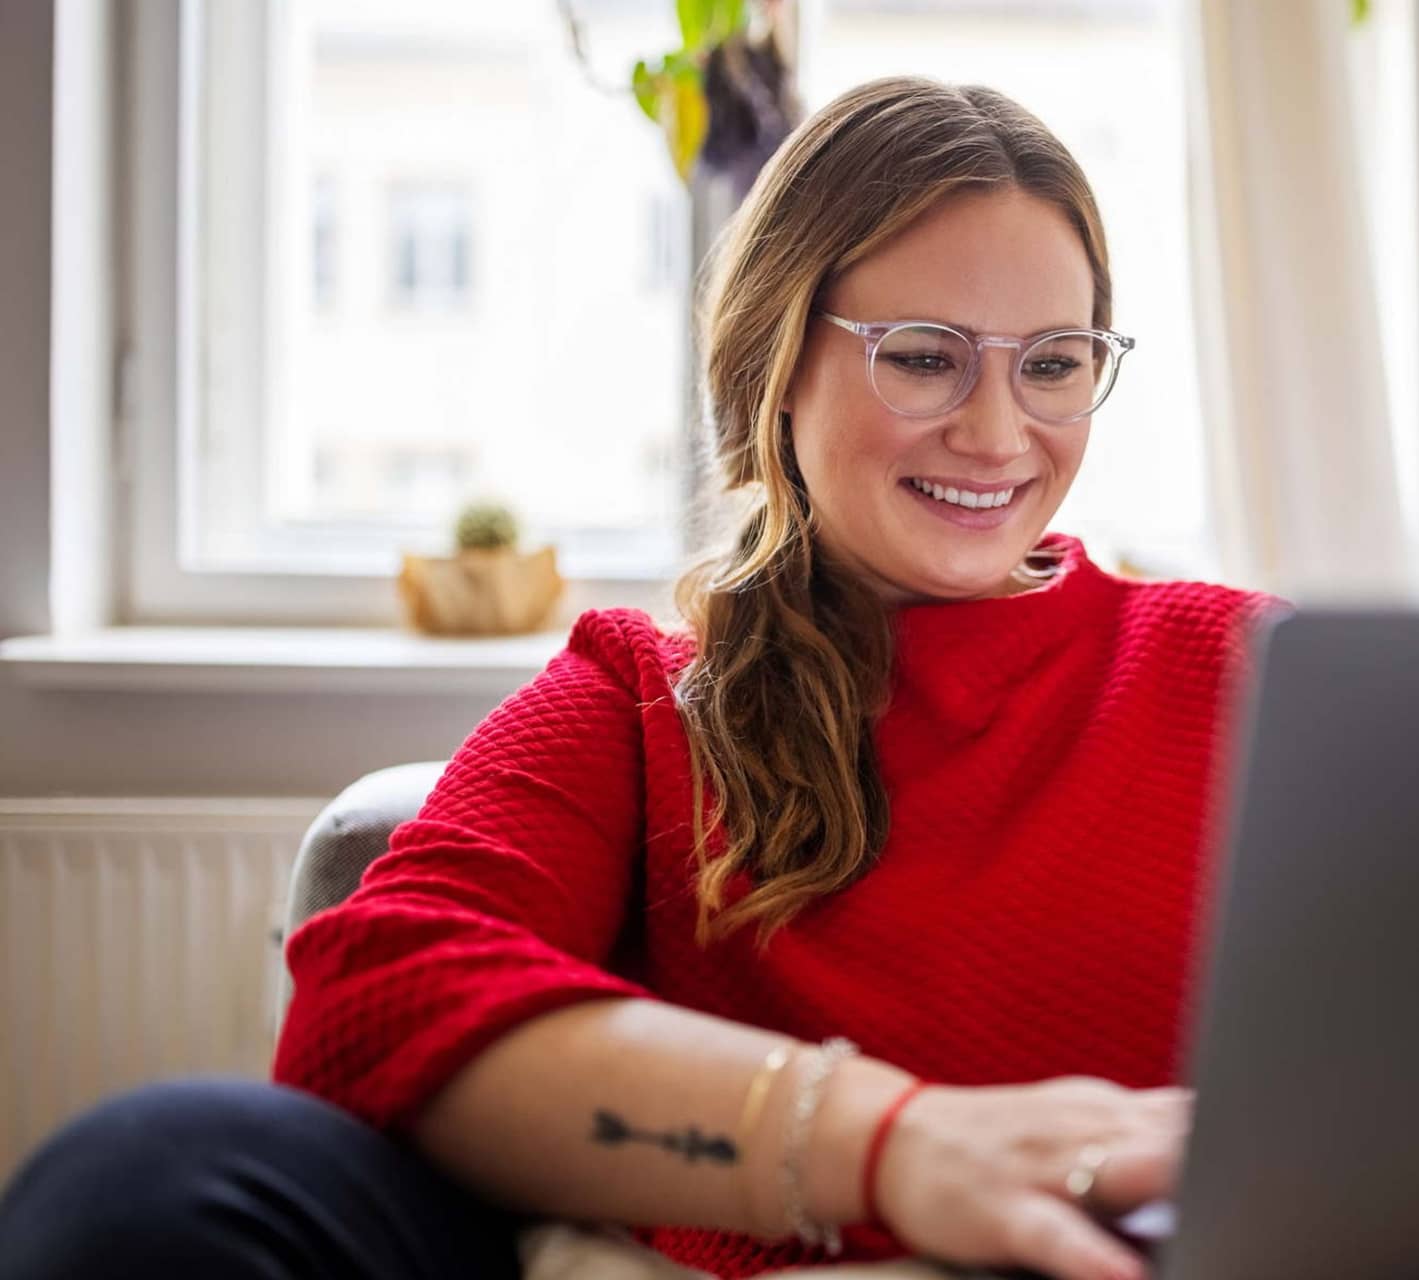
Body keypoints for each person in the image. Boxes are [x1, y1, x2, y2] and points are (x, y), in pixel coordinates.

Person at [0, 77, 1281, 1280]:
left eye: (1052, 362)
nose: (999, 431)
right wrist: (890, 1141)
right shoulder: (641, 696)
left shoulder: (1249, 670)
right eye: (921, 354)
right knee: (153, 1167)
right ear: (778, 365)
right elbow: (372, 1004)